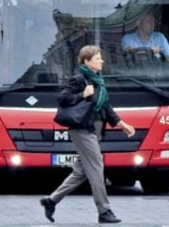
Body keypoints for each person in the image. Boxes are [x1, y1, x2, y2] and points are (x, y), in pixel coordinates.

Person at [40, 45, 135, 224]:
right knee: (97, 166)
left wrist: (122, 124)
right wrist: (82, 94)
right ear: (87, 61)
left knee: (81, 172)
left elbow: (106, 106)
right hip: (81, 128)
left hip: (95, 129)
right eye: (98, 58)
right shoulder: (79, 79)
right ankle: (104, 211)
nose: (102, 60)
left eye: (101, 57)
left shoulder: (98, 80)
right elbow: (62, 99)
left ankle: (51, 201)